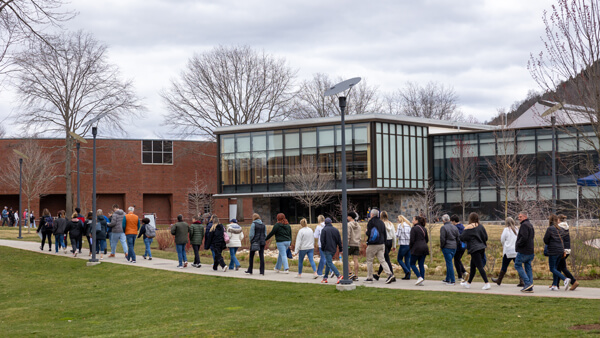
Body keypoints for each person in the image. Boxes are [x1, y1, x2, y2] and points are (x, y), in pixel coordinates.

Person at [459, 213, 491, 290]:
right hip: (481, 248)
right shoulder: (481, 226)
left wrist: (465, 230)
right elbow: (486, 237)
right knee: (473, 267)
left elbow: (462, 237)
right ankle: (468, 283)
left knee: (479, 267)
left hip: (474, 249)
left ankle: (487, 283)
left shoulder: (469, 228)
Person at [365, 209, 395, 284]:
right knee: (382, 260)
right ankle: (389, 274)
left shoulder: (371, 222)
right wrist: (384, 244)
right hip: (381, 244)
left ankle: (369, 277)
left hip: (373, 244)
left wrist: (366, 232)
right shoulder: (381, 223)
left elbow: (369, 233)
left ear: (372, 214)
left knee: (369, 260)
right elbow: (384, 234)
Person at [544, 214, 571, 291]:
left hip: (553, 251)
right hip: (560, 251)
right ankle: (555, 285)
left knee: (552, 268)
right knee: (555, 268)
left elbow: (546, 240)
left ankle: (565, 279)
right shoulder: (560, 229)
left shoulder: (550, 229)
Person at [492, 217, 518, 286]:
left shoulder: (506, 230)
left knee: (504, 266)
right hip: (516, 251)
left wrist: (504, 245)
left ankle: (499, 280)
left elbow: (502, 239)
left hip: (508, 251)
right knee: (518, 266)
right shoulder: (517, 229)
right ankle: (522, 280)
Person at [515, 211, 535, 293]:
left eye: (520, 217)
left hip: (524, 250)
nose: (519, 218)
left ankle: (527, 283)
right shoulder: (530, 225)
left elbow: (524, 237)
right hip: (530, 250)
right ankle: (530, 285)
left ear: (525, 217)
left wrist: (518, 244)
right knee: (528, 266)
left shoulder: (524, 225)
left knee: (517, 265)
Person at [557, 215, 578, 290]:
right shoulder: (565, 227)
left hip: (563, 250)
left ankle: (574, 281)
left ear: (559, 220)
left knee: (562, 267)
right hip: (567, 249)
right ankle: (556, 284)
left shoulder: (560, 228)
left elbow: (560, 240)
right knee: (559, 266)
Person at [320, 217, 343, 284]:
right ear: (331, 222)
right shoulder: (335, 230)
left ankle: (338, 275)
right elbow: (339, 240)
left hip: (327, 249)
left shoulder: (324, 230)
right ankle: (325, 278)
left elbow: (322, 241)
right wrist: (340, 248)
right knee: (328, 263)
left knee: (329, 263)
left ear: (325, 223)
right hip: (333, 249)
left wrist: (323, 248)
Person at [374, 211, 396, 281]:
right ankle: (378, 274)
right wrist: (394, 245)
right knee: (384, 258)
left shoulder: (381, 224)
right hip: (390, 241)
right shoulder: (391, 224)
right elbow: (394, 235)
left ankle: (391, 275)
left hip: (384, 242)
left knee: (386, 259)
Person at [440, 214, 460, 285]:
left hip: (447, 247)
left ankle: (452, 280)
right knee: (449, 263)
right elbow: (458, 238)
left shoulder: (443, 228)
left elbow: (442, 239)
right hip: (454, 247)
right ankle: (447, 279)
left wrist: (442, 246)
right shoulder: (454, 227)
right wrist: (455, 244)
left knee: (449, 263)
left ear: (443, 220)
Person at [409, 215, 429, 286]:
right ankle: (422, 279)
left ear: (416, 221)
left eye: (413, 220)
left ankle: (419, 277)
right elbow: (427, 239)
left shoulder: (414, 229)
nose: (412, 221)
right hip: (424, 248)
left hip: (416, 248)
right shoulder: (424, 229)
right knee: (421, 264)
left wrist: (410, 248)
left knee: (412, 263)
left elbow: (412, 240)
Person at [450, 214, 468, 282]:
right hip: (463, 246)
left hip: (458, 246)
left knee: (456, 261)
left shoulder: (455, 228)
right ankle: (464, 272)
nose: (451, 223)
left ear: (454, 221)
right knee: (458, 260)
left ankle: (460, 276)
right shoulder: (462, 227)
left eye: (452, 221)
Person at [395, 215, 412, 280]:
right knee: (407, 260)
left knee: (399, 259)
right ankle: (408, 275)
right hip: (409, 244)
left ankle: (406, 271)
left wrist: (394, 233)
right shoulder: (409, 225)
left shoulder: (400, 225)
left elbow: (398, 235)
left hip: (403, 244)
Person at [348, 212, 362, 281]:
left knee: (345, 258)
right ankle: (356, 276)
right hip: (357, 244)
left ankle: (350, 273)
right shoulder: (359, 225)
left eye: (348, 216)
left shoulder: (349, 225)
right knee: (355, 259)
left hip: (350, 244)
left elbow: (348, 235)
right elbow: (360, 236)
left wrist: (346, 244)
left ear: (351, 217)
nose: (347, 217)